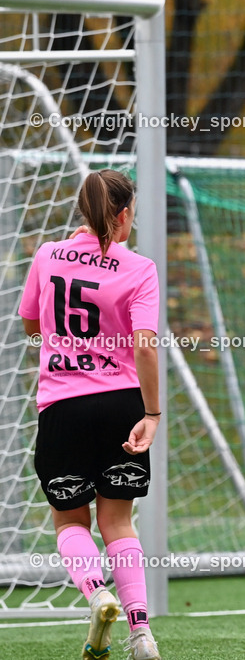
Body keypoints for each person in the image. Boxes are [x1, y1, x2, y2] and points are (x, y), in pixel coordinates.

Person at [19, 169, 162, 660]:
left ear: (83, 209)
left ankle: (97, 593)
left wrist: (61, 348)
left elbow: (29, 323)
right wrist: (153, 413)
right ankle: (141, 632)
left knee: (69, 522)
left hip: (62, 406)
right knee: (119, 522)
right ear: (122, 215)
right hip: (121, 405)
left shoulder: (46, 255)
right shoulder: (139, 268)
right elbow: (146, 347)